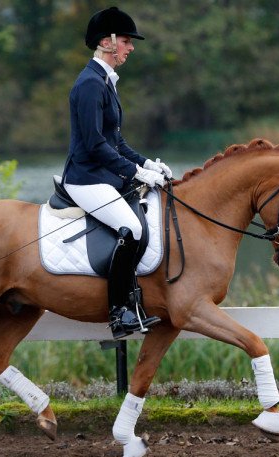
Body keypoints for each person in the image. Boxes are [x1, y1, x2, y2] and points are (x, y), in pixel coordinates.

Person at [61, 6, 172, 339]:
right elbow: (95, 145)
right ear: (107, 42)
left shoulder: (105, 82)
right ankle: (119, 312)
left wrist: (147, 163)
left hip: (101, 175)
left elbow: (116, 140)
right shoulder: (90, 85)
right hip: (85, 178)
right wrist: (136, 174)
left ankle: (134, 303)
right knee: (133, 229)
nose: (130, 47)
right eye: (126, 41)